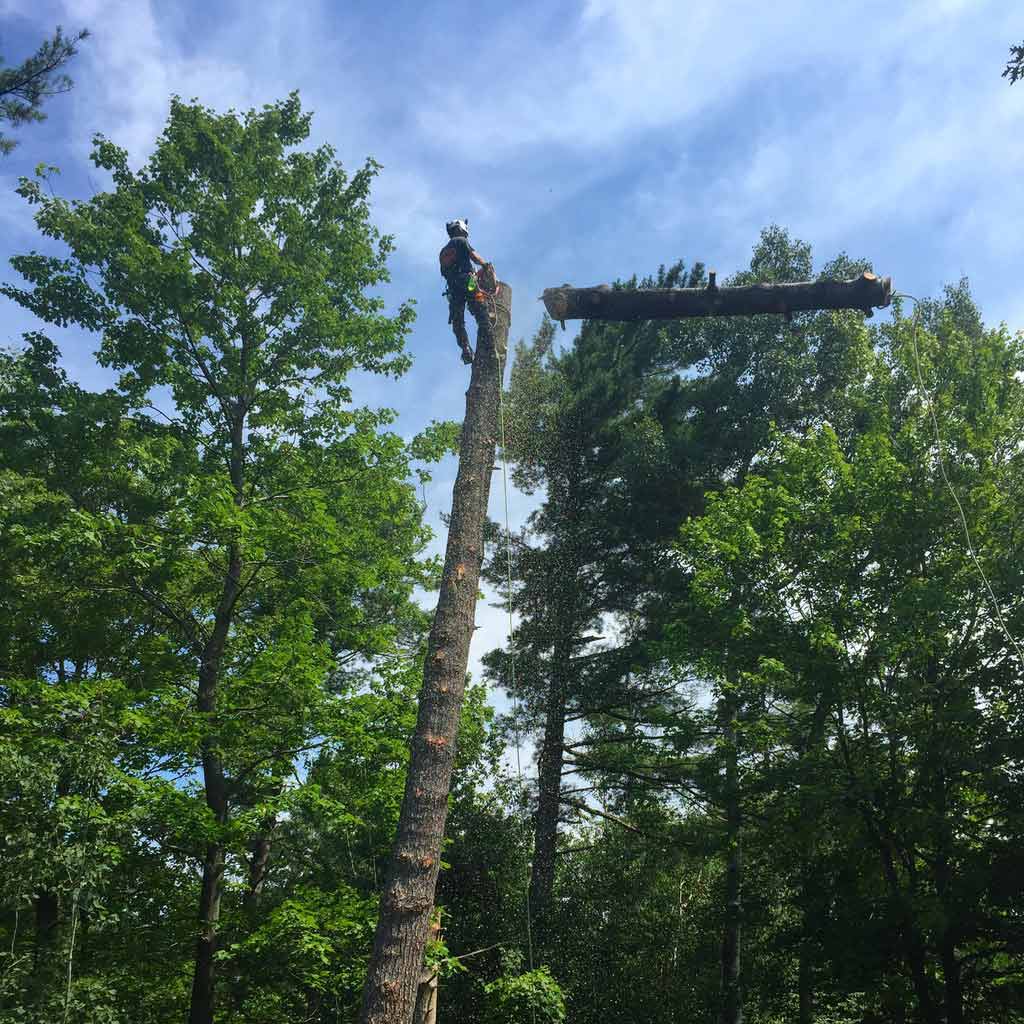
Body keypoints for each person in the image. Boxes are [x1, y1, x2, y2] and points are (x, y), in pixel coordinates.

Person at [439, 219, 491, 364]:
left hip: (453, 290)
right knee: (481, 310)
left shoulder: (443, 252)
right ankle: (488, 340)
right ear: (461, 228)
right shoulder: (461, 241)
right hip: (467, 282)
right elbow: (474, 256)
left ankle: (466, 349)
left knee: (458, 321)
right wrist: (485, 265)